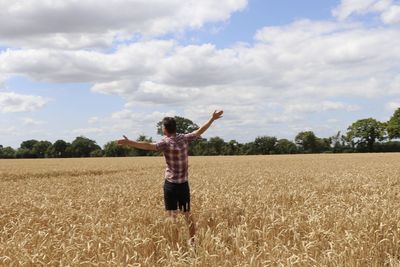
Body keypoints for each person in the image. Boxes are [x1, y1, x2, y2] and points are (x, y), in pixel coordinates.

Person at [117, 110, 224, 244]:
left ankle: (174, 244)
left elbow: (147, 145)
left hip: (171, 185)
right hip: (184, 184)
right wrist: (212, 119)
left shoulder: (165, 143)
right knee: (187, 214)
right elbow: (200, 131)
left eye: (162, 127)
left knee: (171, 216)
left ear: (165, 129)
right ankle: (193, 241)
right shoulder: (185, 138)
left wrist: (129, 142)